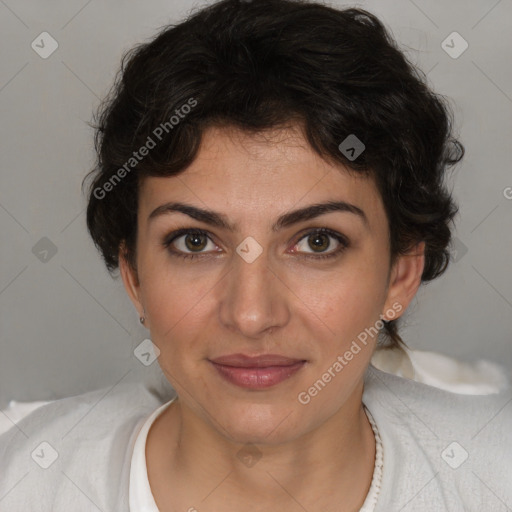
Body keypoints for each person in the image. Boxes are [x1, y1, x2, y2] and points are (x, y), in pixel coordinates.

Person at [1, 0, 511, 510]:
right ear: (134, 275)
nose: (250, 315)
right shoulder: (22, 477)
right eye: (195, 242)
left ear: (400, 273)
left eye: (317, 242)